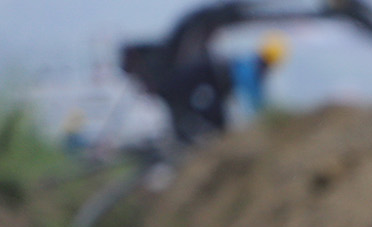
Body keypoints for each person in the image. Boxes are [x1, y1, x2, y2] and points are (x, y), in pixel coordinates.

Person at [119, 8, 286, 145]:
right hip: (207, 78)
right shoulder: (250, 68)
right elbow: (255, 99)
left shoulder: (246, 63)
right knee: (210, 115)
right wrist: (266, 121)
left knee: (209, 114)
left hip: (205, 79)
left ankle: (211, 139)